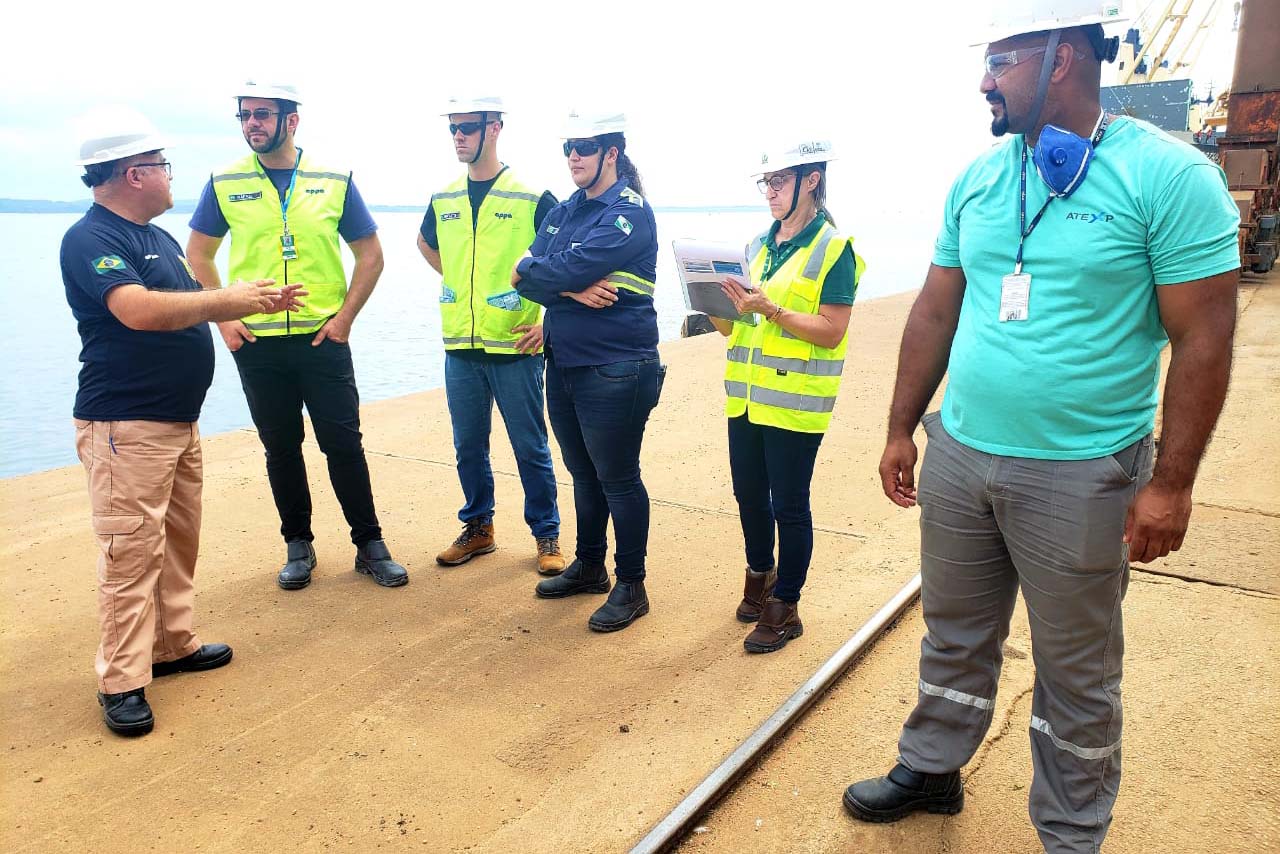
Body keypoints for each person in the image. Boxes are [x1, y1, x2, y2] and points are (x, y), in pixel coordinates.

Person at [841, 3, 1241, 851]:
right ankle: (933, 765)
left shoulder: (1169, 177)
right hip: (961, 456)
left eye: (1001, 62)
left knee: (1076, 671)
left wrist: (1171, 484)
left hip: (1082, 471)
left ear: (1061, 57)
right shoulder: (981, 177)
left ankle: (1069, 831)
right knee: (953, 632)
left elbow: (1204, 339)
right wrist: (902, 428)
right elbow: (935, 309)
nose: (984, 82)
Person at [62, 110, 304, 736]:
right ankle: (121, 681)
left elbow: (187, 302)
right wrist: (229, 299)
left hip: (174, 422)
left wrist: (251, 300)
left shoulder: (158, 238)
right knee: (129, 555)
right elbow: (138, 310)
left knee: (175, 543)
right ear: (133, 173)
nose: (171, 176)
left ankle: (170, 645)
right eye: (163, 166)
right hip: (125, 426)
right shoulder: (92, 239)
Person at [186, 82, 408, 591]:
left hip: (322, 339)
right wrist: (224, 317)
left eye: (262, 114)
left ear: (291, 120)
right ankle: (298, 545)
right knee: (281, 447)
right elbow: (198, 253)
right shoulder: (225, 182)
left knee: (343, 443)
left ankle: (370, 545)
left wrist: (345, 318)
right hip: (258, 344)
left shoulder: (333, 180)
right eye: (245, 115)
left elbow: (370, 255)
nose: (252, 124)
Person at [711, 139, 864, 654]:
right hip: (747, 399)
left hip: (796, 402)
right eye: (766, 182)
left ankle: (785, 605)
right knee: (748, 494)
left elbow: (832, 331)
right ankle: (760, 576)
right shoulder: (757, 246)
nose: (770, 191)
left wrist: (772, 310)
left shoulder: (834, 250)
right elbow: (734, 330)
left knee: (790, 505)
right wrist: (712, 302)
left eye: (779, 181)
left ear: (810, 180)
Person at [513, 111, 664, 632]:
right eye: (568, 147)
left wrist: (556, 277)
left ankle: (632, 585)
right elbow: (520, 274)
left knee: (618, 478)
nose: (574, 156)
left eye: (584, 146)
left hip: (616, 366)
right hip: (565, 362)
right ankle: (590, 566)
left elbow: (553, 268)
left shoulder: (628, 213)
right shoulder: (564, 211)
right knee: (583, 473)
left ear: (611, 153)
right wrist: (573, 289)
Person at [416, 96, 564, 575]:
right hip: (460, 345)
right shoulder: (444, 197)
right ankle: (479, 528)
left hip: (515, 345)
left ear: (494, 129)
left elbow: (567, 259)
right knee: (468, 447)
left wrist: (548, 321)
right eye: (453, 129)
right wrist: (461, 283)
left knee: (530, 447)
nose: (458, 136)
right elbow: (425, 243)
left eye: (467, 128)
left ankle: (546, 535)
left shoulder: (532, 197)